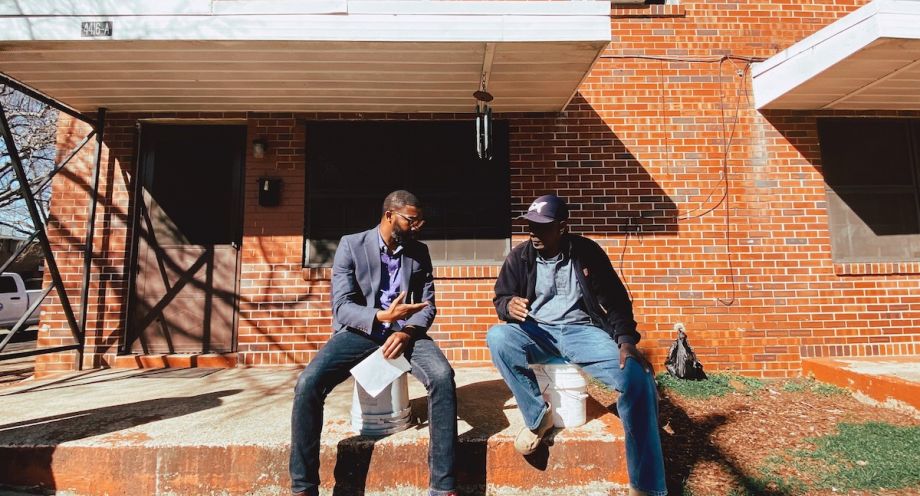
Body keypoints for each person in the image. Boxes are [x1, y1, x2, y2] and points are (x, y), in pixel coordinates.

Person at [486, 194, 666, 496]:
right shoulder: (519, 257)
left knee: (637, 378)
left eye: (542, 226)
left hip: (583, 332)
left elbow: (617, 300)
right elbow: (501, 298)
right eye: (530, 225)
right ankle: (538, 417)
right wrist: (508, 306)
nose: (533, 232)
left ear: (562, 227)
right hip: (537, 332)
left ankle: (646, 486)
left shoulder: (587, 253)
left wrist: (625, 341)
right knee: (498, 337)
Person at [290, 190, 458, 496]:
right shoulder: (351, 245)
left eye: (420, 220)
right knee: (308, 384)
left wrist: (407, 331)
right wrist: (382, 316)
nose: (417, 226)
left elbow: (428, 305)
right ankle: (303, 486)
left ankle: (443, 487)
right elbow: (342, 307)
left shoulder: (418, 251)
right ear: (389, 215)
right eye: (411, 220)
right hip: (361, 331)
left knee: (442, 377)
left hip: (405, 333)